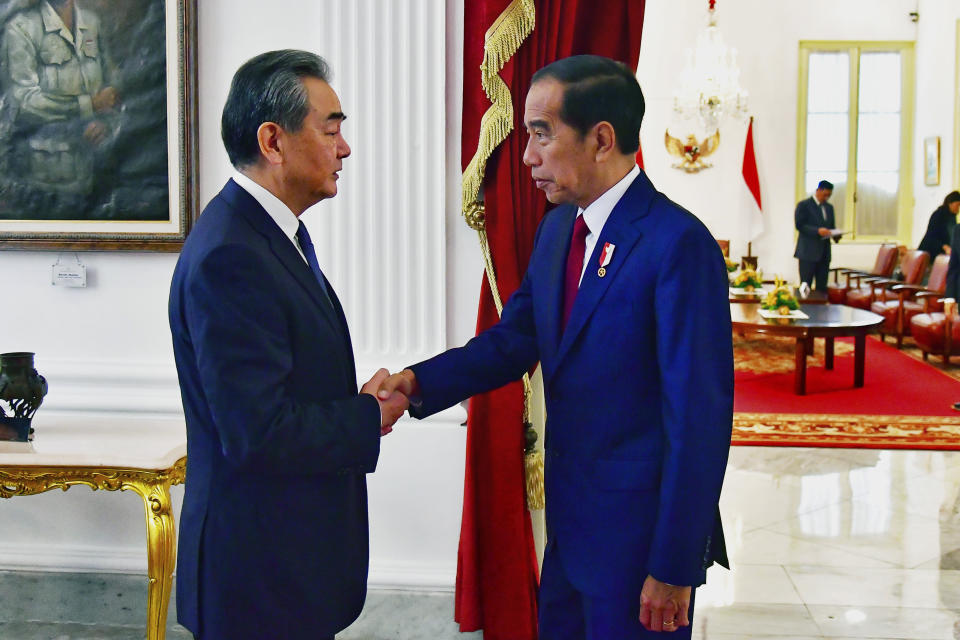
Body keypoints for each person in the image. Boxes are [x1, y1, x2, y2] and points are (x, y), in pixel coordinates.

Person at [379, 55, 732, 638]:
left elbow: (700, 420)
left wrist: (674, 566)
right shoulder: (560, 231)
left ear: (601, 139)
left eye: (541, 134)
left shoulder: (677, 244)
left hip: (641, 547)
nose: (527, 156)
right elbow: (515, 339)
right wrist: (417, 383)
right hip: (571, 535)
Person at [168, 50, 408, 640]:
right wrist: (365, 416)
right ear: (273, 140)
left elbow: (278, 390)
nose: (344, 148)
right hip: (258, 582)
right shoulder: (233, 254)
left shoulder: (265, 235)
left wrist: (351, 405)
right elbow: (257, 434)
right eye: (331, 130)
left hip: (281, 574)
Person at [0, 0, 118, 215]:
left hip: (95, 173)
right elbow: (24, 101)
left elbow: (111, 93)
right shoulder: (21, 27)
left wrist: (105, 123)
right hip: (44, 180)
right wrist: (88, 105)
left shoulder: (92, 23)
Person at [794, 180, 839, 291]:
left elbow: (831, 227)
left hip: (824, 254)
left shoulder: (829, 208)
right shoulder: (804, 205)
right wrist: (817, 231)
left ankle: (822, 309)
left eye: (829, 195)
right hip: (808, 253)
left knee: (822, 288)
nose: (826, 198)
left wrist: (836, 234)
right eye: (825, 195)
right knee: (806, 286)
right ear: (818, 191)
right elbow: (800, 225)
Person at [918, 191, 960, 259]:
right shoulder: (938, 215)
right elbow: (931, 237)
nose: (958, 208)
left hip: (943, 252)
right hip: (930, 251)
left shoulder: (952, 217)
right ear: (950, 203)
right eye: (957, 205)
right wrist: (945, 247)